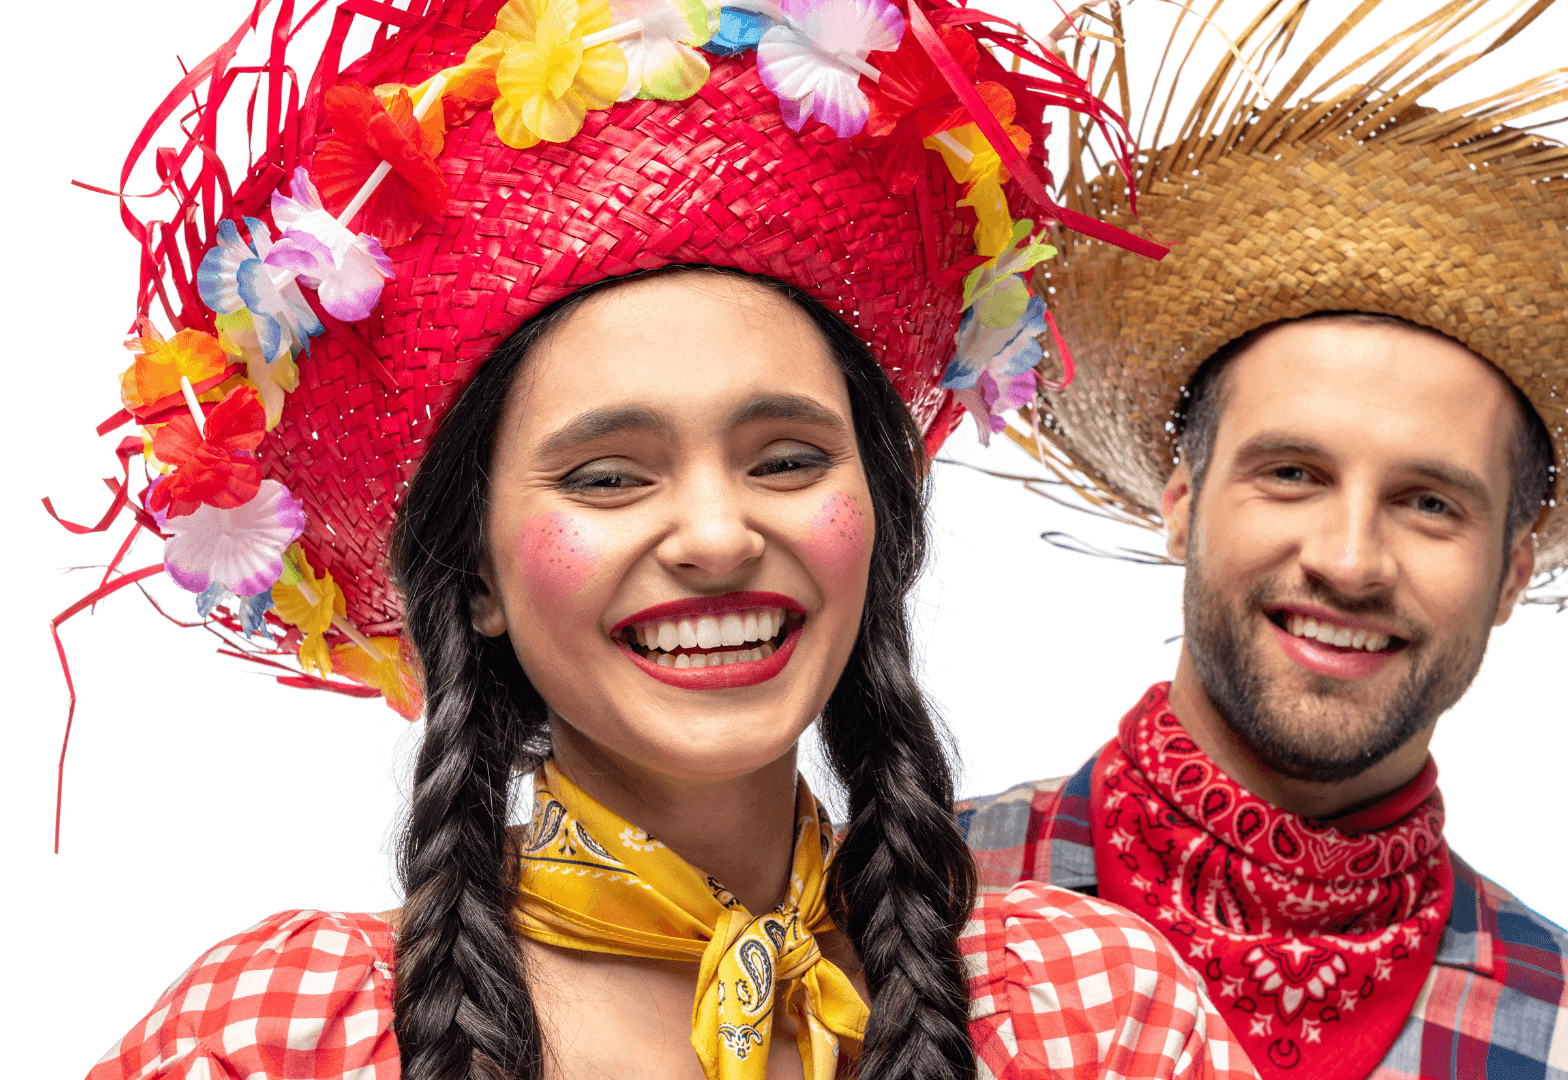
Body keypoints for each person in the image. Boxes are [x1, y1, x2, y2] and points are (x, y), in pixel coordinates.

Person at [62, 0, 1257, 1077]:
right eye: (608, 476)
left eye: (787, 460)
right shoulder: (278, 1040)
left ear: (880, 521)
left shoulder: (1092, 1019)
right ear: (474, 571)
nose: (717, 534)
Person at [959, 2, 1568, 1079]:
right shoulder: (901, 907)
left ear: (1513, 568)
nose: (1352, 558)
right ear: (1184, 497)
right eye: (1292, 474)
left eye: (1431, 503)